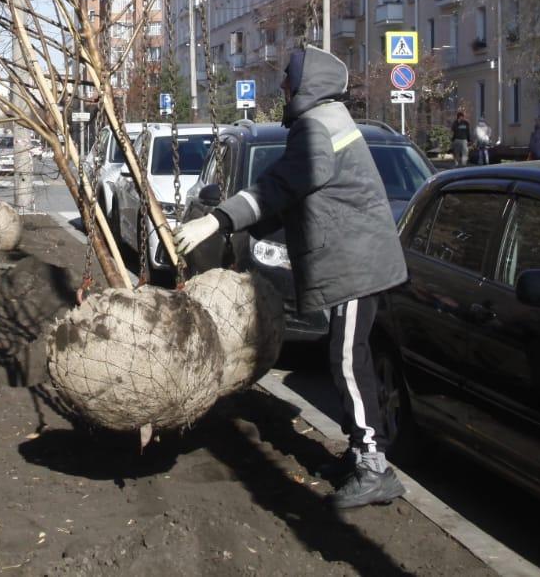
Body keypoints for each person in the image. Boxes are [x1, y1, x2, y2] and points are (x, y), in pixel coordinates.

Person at [174, 46, 408, 511]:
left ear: (306, 85)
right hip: (357, 258)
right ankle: (362, 454)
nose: (281, 86)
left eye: (287, 79)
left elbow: (283, 184)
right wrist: (240, 227)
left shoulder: (318, 127)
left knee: (347, 362)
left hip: (359, 262)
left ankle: (374, 467)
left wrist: (218, 219)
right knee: (347, 358)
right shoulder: (326, 119)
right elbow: (297, 196)